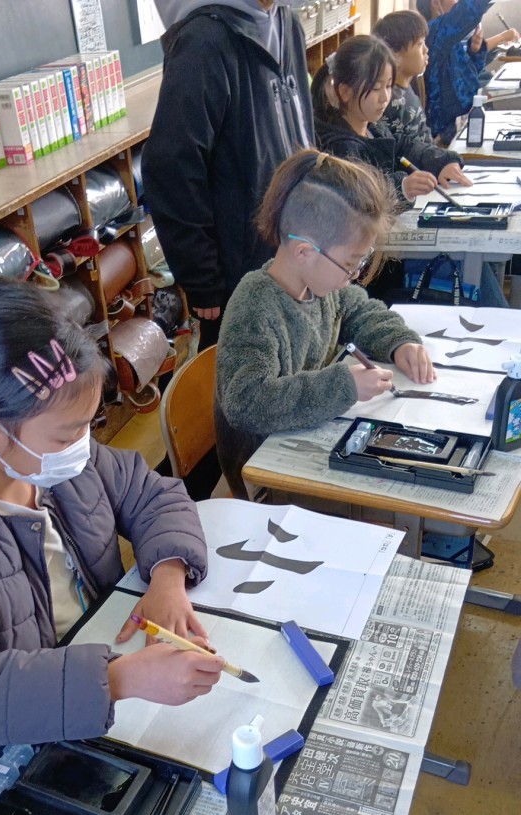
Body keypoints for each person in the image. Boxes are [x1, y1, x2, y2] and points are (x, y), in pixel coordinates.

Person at [0, 281, 224, 810]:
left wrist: (167, 577)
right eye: (67, 435)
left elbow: (153, 494)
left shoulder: (53, 462)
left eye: (88, 427)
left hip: (87, 709)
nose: (83, 446)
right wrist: (119, 678)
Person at [214, 149, 436, 497]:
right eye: (351, 265)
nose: (354, 276)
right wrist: (343, 386)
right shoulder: (255, 306)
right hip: (265, 480)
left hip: (305, 450)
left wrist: (399, 342)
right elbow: (246, 403)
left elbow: (358, 310)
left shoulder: (318, 287)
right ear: (305, 252)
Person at [142, 1, 314, 350]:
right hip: (238, 276)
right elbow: (171, 168)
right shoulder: (204, 41)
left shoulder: (287, 23)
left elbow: (304, 133)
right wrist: (202, 278)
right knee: (243, 374)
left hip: (295, 254)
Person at [312, 35, 469, 202]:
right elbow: (361, 194)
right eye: (376, 88)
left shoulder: (372, 128)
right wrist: (403, 187)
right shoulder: (338, 149)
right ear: (345, 92)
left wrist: (441, 162)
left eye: (388, 86)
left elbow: (404, 147)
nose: (385, 97)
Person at [373, 7, 466, 178]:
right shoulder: (387, 100)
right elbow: (395, 156)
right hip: (413, 182)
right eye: (419, 44)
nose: (426, 50)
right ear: (394, 54)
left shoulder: (410, 87)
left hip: (429, 170)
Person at [416, 0, 519, 145]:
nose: (459, 3)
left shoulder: (447, 37)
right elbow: (468, 10)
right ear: (435, 2)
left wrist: (474, 51)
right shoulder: (434, 32)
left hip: (469, 117)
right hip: (450, 129)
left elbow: (467, 74)